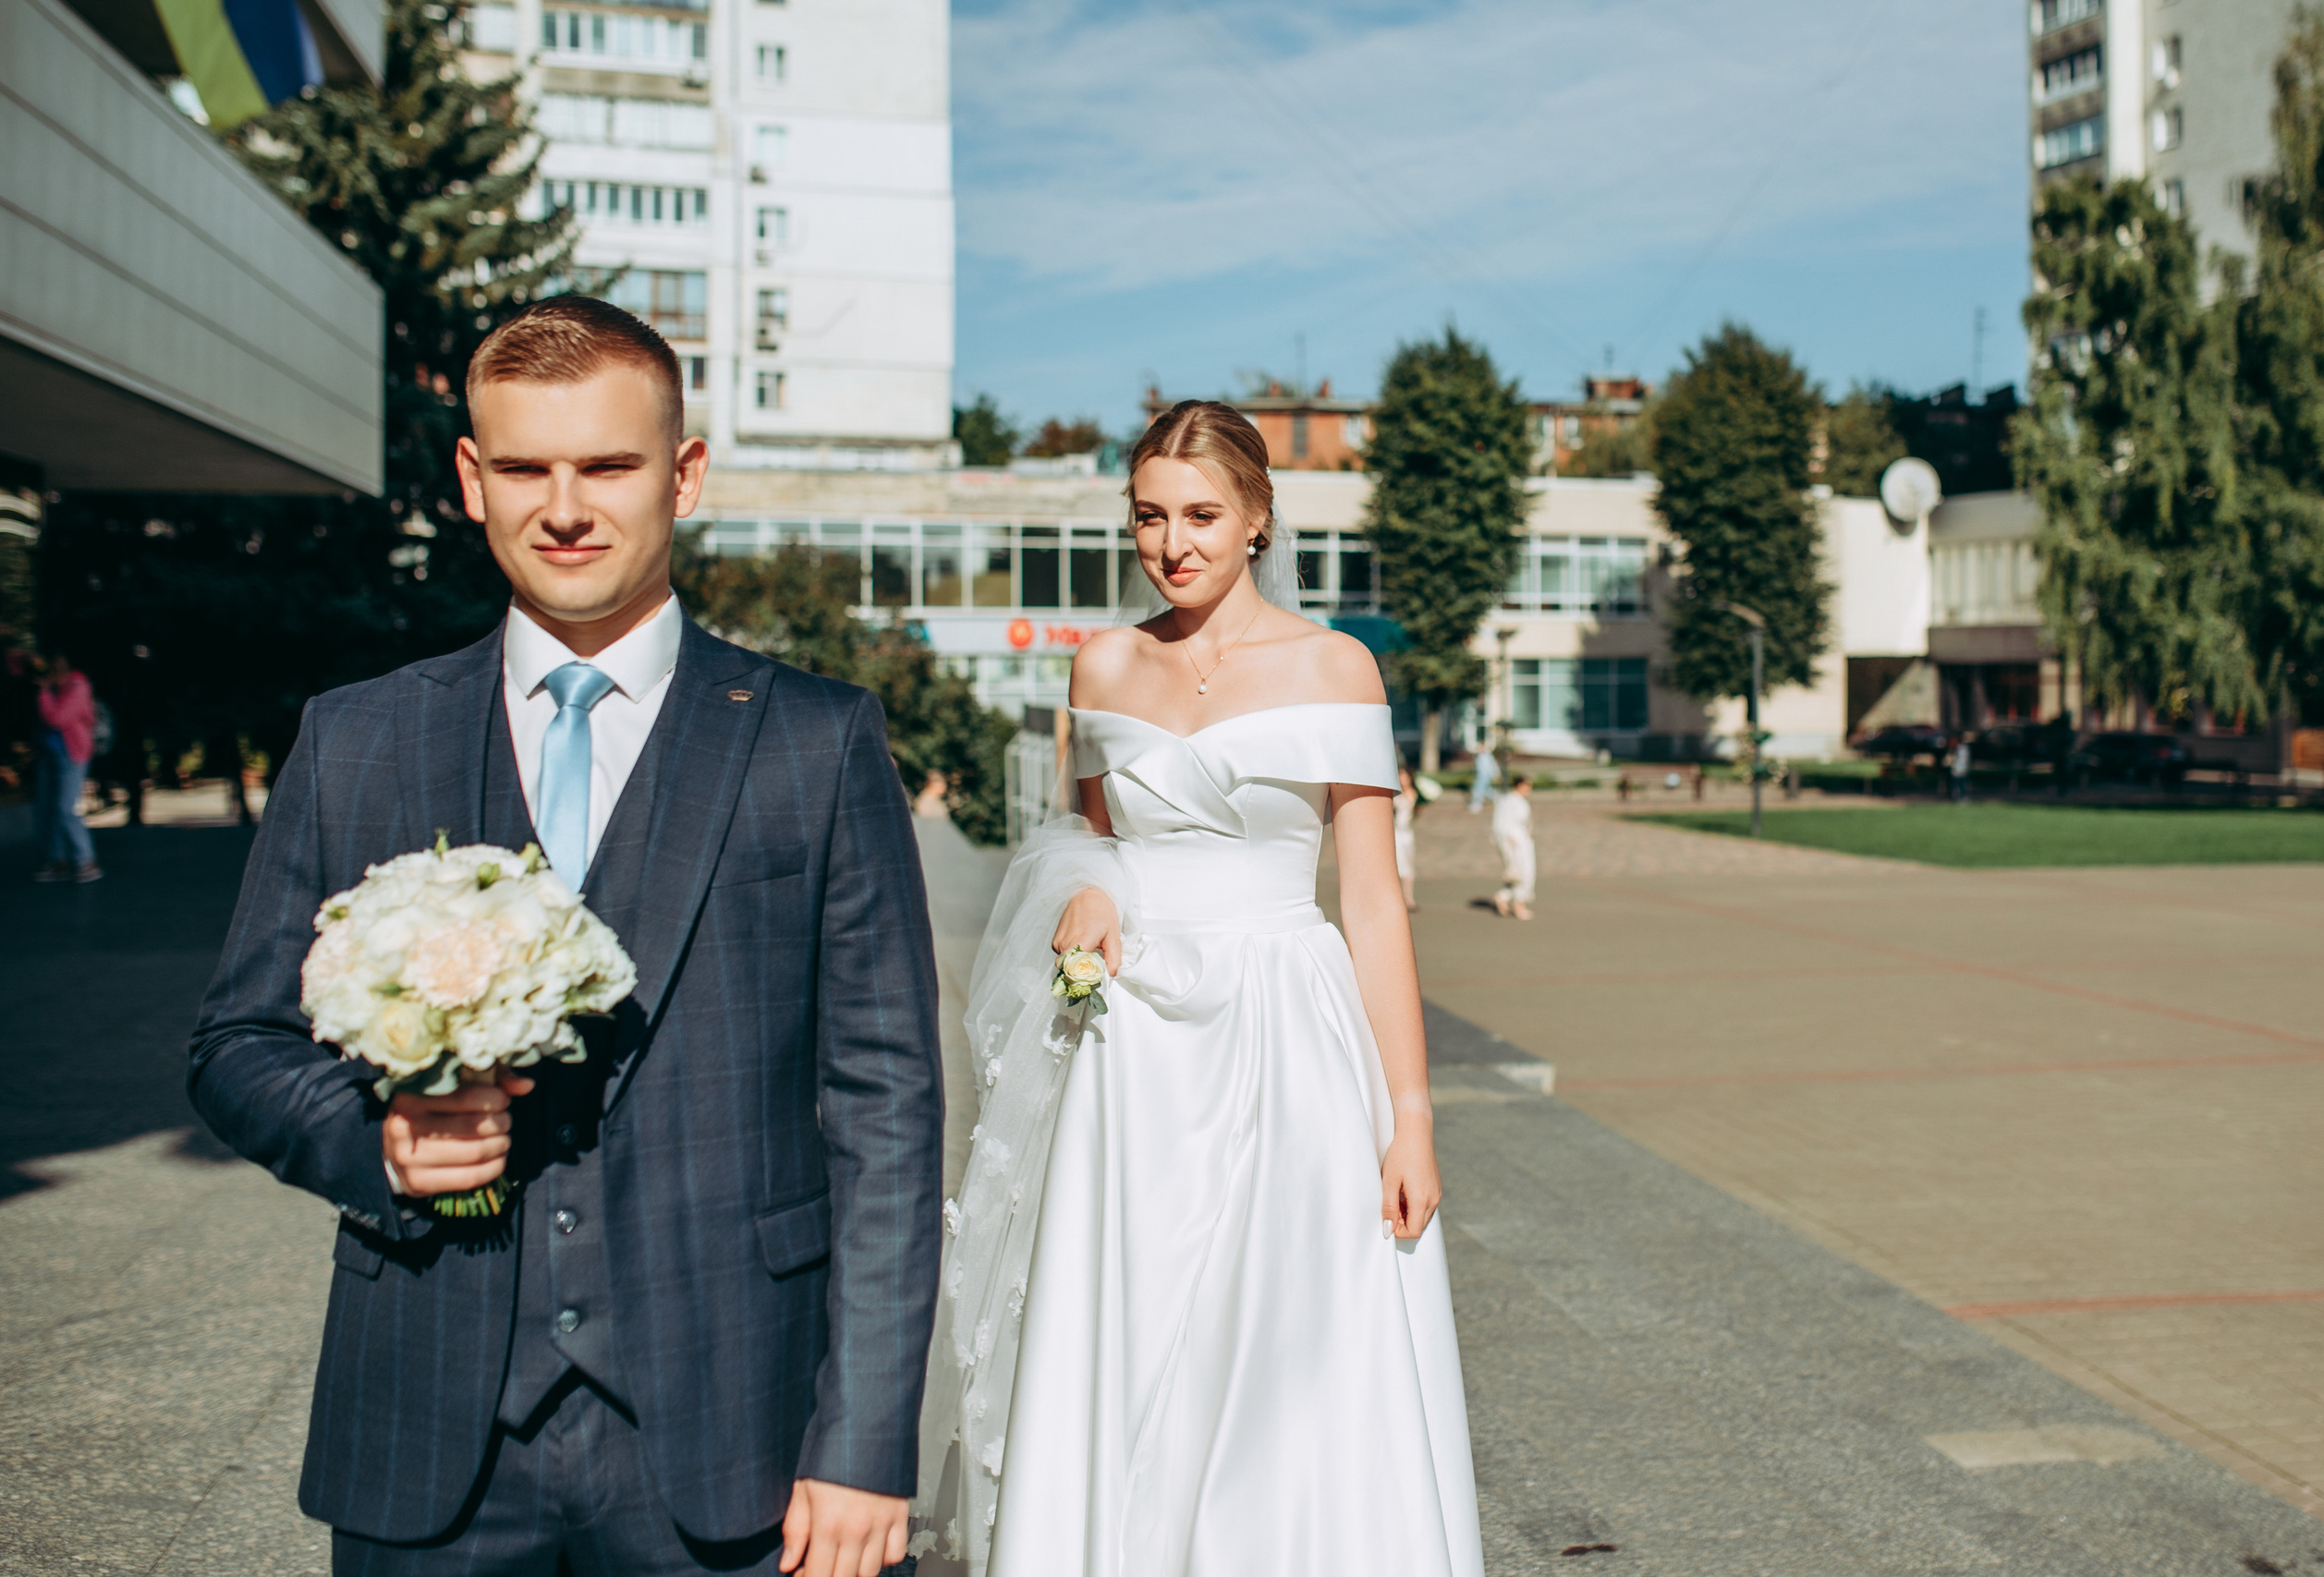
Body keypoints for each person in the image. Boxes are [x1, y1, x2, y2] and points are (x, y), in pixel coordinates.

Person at [188, 297, 943, 1577]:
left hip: (733, 1434)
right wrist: (367, 1135)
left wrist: (863, 1436)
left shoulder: (817, 739)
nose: (567, 506)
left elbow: (884, 1108)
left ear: (684, 474)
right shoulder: (357, 735)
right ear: (473, 482)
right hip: (425, 1425)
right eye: (527, 467)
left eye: (608, 464)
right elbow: (235, 1044)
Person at [912, 401, 1480, 1576]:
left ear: (1260, 518)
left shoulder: (1337, 666)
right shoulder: (1105, 662)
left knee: (1291, 1343)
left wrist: (1411, 1118)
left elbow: (1371, 901)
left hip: (1289, 1032)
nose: (1175, 543)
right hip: (1134, 1048)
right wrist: (1093, 894)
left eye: (1204, 515)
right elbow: (1086, 845)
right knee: (1124, 1332)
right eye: (1150, 517)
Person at [32, 653, 101, 883]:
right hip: (48, 754)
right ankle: (57, 861)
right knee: (48, 810)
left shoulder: (77, 686)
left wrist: (43, 693)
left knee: (65, 809)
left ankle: (86, 861)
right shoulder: (54, 687)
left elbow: (57, 719)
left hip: (72, 754)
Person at [1491, 774, 1536, 920]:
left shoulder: (1521, 801)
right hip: (1513, 842)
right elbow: (1500, 823)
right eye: (1527, 785)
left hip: (1522, 840)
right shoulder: (1508, 800)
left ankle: (1503, 897)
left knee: (1524, 872)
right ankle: (1518, 905)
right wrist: (1506, 840)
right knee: (1521, 873)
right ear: (1519, 785)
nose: (1529, 789)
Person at [1394, 763, 1422, 912]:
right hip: (1396, 832)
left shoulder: (1414, 794)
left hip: (1407, 832)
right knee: (1398, 864)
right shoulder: (1395, 794)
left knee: (1409, 864)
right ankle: (1399, 898)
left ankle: (1409, 897)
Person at [1466, 738, 1499, 813]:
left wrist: (1496, 774)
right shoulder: (1479, 756)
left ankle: (1477, 803)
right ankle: (1497, 798)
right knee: (1485, 790)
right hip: (1481, 776)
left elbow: (1493, 766)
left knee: (1479, 789)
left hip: (1486, 776)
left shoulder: (1488, 756)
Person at [1951, 734, 1973, 803]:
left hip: (1961, 768)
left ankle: (1962, 797)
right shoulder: (1956, 748)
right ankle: (1958, 797)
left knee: (1962, 784)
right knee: (1957, 784)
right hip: (1957, 768)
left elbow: (1966, 759)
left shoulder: (1963, 748)